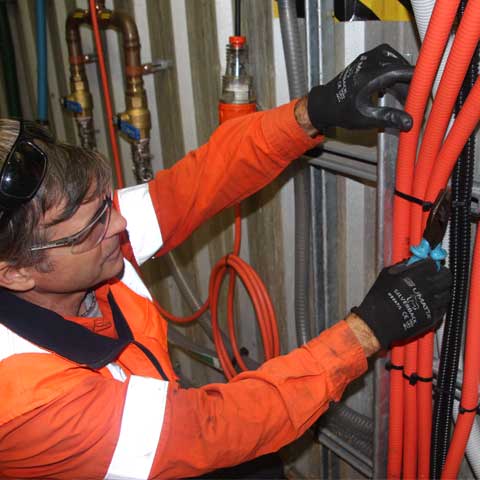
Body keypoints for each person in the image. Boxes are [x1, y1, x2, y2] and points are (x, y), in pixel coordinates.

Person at [0, 44, 451, 479]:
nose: (118, 222)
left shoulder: (72, 241)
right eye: (91, 227)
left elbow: (196, 185)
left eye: (104, 203)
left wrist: (313, 112)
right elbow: (211, 429)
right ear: (14, 272)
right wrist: (365, 332)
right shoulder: (30, 405)